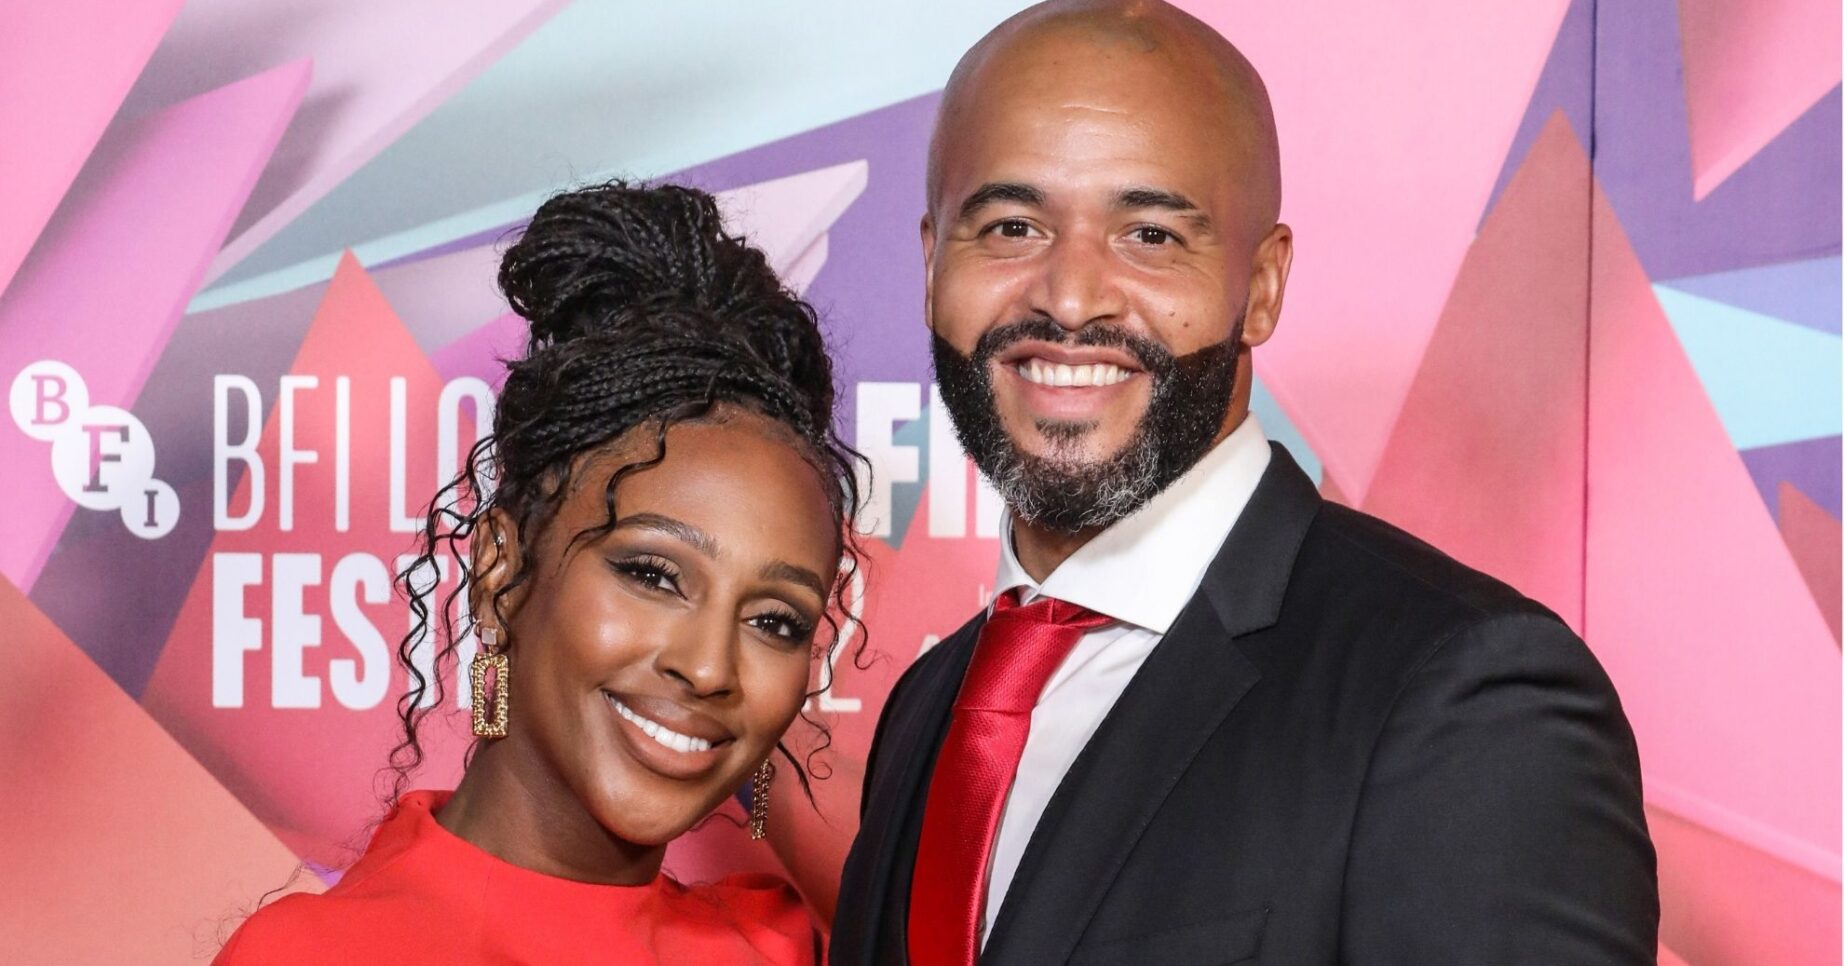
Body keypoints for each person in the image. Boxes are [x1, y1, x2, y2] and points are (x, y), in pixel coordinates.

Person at [833, 2, 1659, 964]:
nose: (1067, 297)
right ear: (933, 263)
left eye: (1150, 235)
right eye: (1013, 226)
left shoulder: (1466, 700)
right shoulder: (931, 706)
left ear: (1261, 286)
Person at [216, 181, 863, 965]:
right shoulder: (313, 955)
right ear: (499, 571)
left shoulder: (781, 946)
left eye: (774, 620)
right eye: (654, 575)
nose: (708, 667)